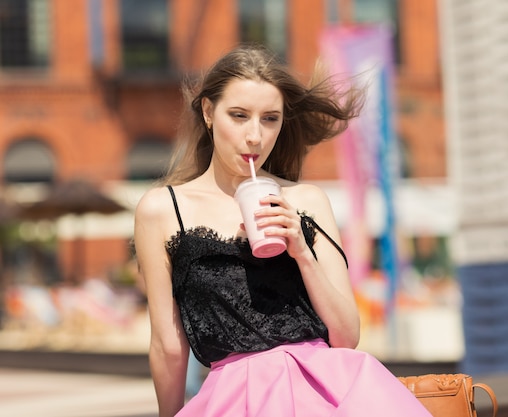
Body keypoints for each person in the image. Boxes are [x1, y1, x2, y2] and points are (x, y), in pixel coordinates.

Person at [133, 44, 432, 417]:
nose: (255, 136)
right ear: (209, 112)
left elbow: (346, 336)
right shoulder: (162, 209)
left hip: (326, 393)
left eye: (270, 118)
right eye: (239, 116)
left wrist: (301, 252)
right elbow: (167, 344)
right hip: (233, 398)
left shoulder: (307, 200)